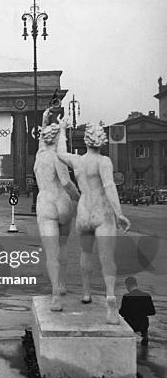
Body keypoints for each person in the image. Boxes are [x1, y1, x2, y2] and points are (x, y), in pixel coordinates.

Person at [57, 120, 131, 324]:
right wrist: (119, 213)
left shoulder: (78, 161)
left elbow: (61, 154)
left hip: (83, 212)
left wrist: (62, 130)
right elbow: (109, 187)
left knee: (86, 253)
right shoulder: (104, 161)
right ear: (102, 141)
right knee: (107, 257)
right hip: (101, 212)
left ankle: (86, 292)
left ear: (86, 140)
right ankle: (110, 298)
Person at [34, 108, 80, 311]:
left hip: (45, 202)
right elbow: (66, 182)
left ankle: (55, 295)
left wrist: (44, 119)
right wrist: (81, 197)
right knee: (63, 248)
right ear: (57, 139)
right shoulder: (58, 157)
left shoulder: (39, 157)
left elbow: (41, 140)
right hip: (62, 203)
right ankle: (62, 285)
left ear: (43, 139)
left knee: (51, 254)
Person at [119, 276, 156, 346]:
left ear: (127, 285)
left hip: (131, 325)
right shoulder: (146, 295)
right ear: (136, 284)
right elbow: (152, 312)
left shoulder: (126, 297)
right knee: (144, 348)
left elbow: (122, 313)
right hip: (143, 325)